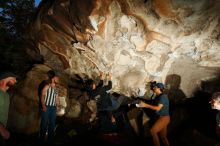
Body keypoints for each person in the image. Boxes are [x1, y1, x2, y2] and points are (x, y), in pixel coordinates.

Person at [39, 74, 60, 144]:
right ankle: (42, 139)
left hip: (53, 108)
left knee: (52, 123)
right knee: (44, 123)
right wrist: (43, 106)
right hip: (47, 107)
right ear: (53, 79)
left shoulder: (56, 89)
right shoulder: (47, 86)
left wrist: (57, 106)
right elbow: (42, 96)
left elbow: (56, 98)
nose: (58, 80)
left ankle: (50, 139)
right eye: (57, 79)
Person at [0, 72, 17, 146]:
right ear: (4, 80)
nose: (16, 81)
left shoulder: (6, 95)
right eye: (13, 79)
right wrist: (1, 129)